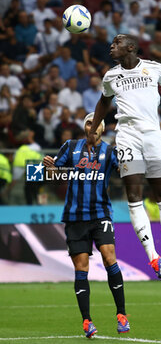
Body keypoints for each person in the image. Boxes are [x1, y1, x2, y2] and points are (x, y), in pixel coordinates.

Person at [86, 34, 161, 279]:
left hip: (153, 136)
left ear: (131, 47)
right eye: (111, 43)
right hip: (127, 136)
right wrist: (95, 127)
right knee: (134, 196)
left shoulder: (154, 68)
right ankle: (153, 258)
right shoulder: (111, 76)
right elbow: (103, 103)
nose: (111, 47)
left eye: (116, 44)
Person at [43, 112, 130, 338]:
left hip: (101, 214)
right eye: (89, 123)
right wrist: (49, 168)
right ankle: (87, 321)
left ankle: (122, 315)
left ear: (102, 129)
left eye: (96, 123)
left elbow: (124, 172)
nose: (92, 127)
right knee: (81, 268)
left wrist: (129, 161)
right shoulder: (71, 146)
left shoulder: (110, 151)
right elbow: (53, 177)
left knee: (109, 256)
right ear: (85, 127)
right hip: (74, 218)